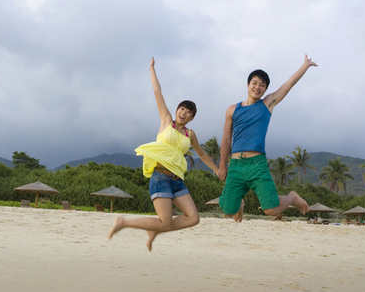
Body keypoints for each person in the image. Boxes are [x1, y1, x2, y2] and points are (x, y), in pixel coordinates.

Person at [109, 57, 220, 251]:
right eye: (182, 109)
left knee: (193, 218)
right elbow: (157, 91)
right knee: (165, 222)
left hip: (178, 180)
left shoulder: (190, 134)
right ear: (177, 110)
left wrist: (217, 170)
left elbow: (202, 155)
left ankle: (155, 230)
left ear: (192, 117)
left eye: (188, 112)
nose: (183, 113)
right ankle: (124, 223)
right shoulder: (166, 120)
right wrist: (151, 68)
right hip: (160, 177)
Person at [217, 55, 318, 221]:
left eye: (262, 85)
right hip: (235, 165)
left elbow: (289, 83)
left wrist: (305, 66)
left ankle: (292, 197)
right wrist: (222, 166)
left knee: (271, 210)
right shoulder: (231, 110)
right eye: (255, 83)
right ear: (248, 85)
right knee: (228, 210)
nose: (258, 87)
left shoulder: (267, 103)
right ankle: (239, 203)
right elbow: (226, 140)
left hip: (257, 164)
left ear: (265, 89)